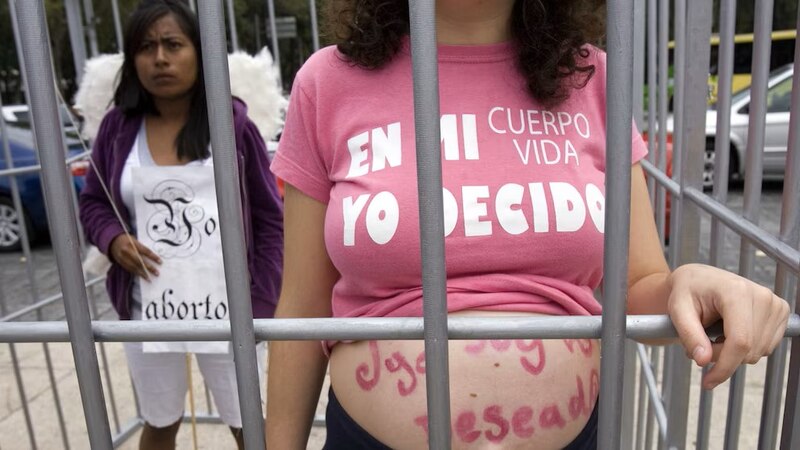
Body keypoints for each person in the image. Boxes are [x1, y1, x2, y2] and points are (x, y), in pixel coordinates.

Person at [265, 0, 789, 448]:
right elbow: (304, 308)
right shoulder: (327, 81)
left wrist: (688, 283)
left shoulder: (592, 77)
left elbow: (637, 288)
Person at [78, 1, 283, 449]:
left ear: (199, 51)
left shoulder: (233, 125)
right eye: (146, 47)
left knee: (248, 423)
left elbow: (271, 220)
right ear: (132, 59)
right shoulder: (116, 128)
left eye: (173, 44)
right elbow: (94, 203)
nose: (160, 58)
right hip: (145, 309)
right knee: (160, 420)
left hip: (231, 311)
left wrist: (262, 303)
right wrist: (113, 241)